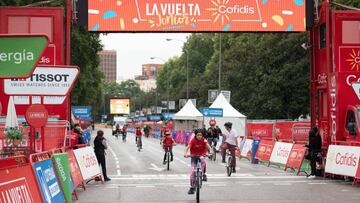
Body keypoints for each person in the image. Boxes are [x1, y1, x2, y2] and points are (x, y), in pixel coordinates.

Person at [184, 129, 213, 195]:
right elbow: (187, 148)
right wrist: (185, 153)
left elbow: (209, 147)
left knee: (203, 160)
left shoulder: (204, 140)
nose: (199, 136)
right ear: (195, 135)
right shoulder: (193, 140)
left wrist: (211, 152)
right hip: (194, 157)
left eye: (200, 135)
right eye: (198, 135)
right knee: (192, 173)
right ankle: (192, 187)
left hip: (202, 156)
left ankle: (203, 174)